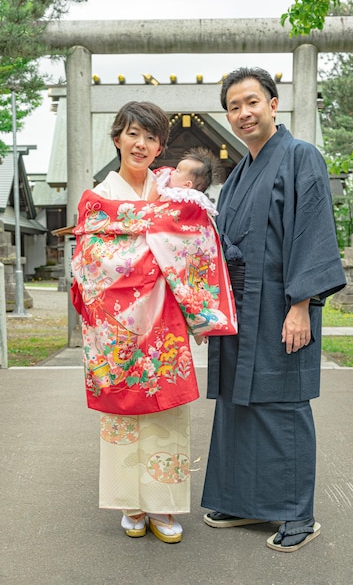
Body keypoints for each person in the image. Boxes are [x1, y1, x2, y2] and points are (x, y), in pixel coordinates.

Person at [70, 101, 237, 544]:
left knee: (166, 412)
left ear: (160, 146)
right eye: (132, 134)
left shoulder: (174, 195)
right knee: (124, 415)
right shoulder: (97, 199)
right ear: (117, 138)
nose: (140, 144)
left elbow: (197, 243)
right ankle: (130, 503)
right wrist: (153, 248)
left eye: (150, 137)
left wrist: (156, 242)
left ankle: (163, 506)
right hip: (117, 325)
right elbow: (92, 263)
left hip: (163, 319)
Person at [201, 67, 346, 551]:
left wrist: (302, 304)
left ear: (272, 103)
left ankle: (297, 515)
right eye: (234, 107)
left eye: (251, 102)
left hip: (283, 304)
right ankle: (244, 502)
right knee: (238, 402)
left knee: (282, 404)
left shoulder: (301, 156)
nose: (243, 113)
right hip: (240, 307)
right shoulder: (239, 173)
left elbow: (310, 231)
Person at [148, 147, 218, 218]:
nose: (172, 172)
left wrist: (159, 181)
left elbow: (151, 202)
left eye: (177, 171)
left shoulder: (174, 194)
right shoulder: (200, 200)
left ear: (187, 184)